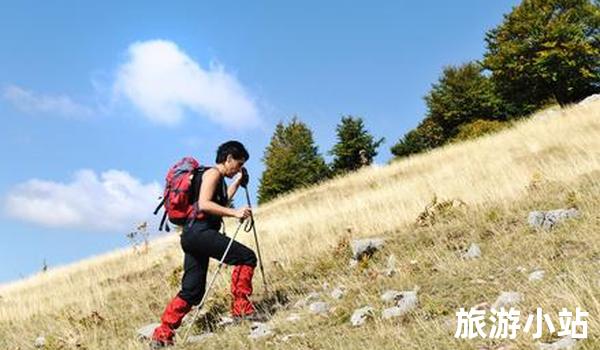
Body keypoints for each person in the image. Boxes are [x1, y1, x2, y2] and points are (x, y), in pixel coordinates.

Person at [151, 141, 257, 348]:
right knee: (246, 257)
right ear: (228, 159)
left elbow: (220, 202)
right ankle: (241, 309)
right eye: (238, 163)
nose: (239, 167)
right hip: (200, 232)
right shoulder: (212, 174)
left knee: (192, 291)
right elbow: (205, 204)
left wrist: (237, 181)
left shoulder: (212, 177)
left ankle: (162, 334)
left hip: (191, 236)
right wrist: (236, 213)